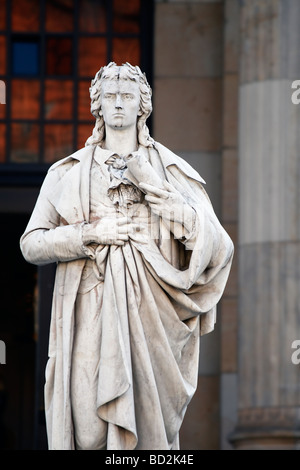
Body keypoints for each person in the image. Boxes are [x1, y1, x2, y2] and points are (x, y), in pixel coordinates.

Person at [20, 62, 234, 450]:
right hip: (88, 314)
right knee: (88, 431)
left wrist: (157, 191)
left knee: (150, 439)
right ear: (97, 106)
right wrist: (89, 233)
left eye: (127, 96)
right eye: (110, 97)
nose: (118, 104)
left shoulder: (171, 171)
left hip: (152, 318)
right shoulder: (65, 173)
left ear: (142, 106)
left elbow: (218, 245)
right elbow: (31, 243)